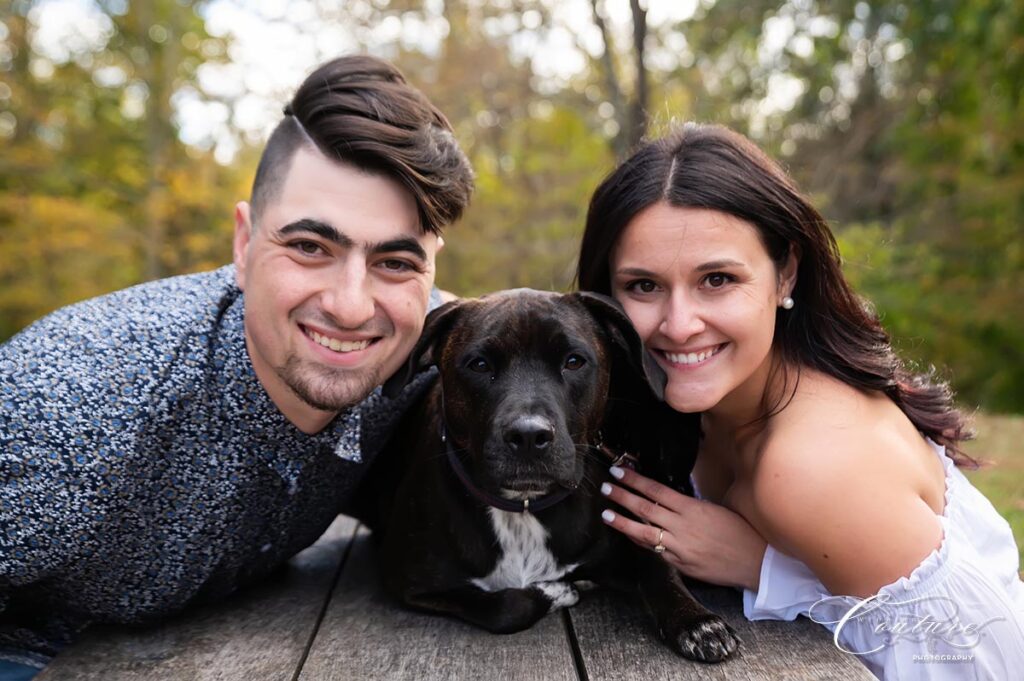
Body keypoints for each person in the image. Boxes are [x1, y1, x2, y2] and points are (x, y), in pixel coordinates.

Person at [0, 55, 473, 679]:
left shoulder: (453, 354)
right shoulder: (72, 406)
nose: (351, 306)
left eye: (395, 263)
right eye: (310, 247)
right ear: (245, 245)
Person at [577, 122, 1024, 679]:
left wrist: (765, 570)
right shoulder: (697, 408)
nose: (678, 323)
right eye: (643, 286)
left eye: (716, 279)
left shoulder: (811, 469)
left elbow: (990, 665)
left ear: (785, 273)